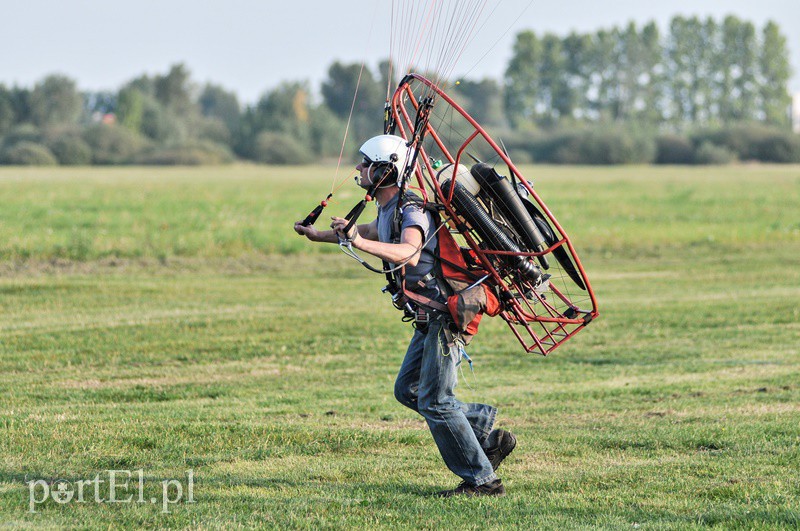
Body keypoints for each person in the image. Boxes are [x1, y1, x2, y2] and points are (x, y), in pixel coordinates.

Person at [294, 134, 516, 497]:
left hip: (446, 314)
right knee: (408, 389)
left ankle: (482, 481)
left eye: (365, 164)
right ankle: (486, 435)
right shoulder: (389, 208)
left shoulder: (412, 208)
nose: (358, 168)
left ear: (384, 170)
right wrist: (318, 235)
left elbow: (410, 252)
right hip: (427, 316)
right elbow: (369, 231)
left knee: (436, 400)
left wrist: (360, 243)